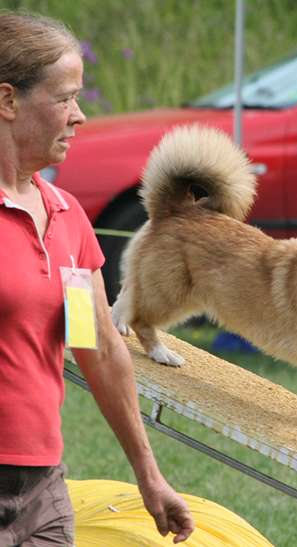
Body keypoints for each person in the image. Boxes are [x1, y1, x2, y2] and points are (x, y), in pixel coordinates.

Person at [0, 11, 194, 546]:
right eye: (65, 99)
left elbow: (100, 349)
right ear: (8, 100)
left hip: (42, 490)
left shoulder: (66, 217)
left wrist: (149, 475)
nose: (79, 116)